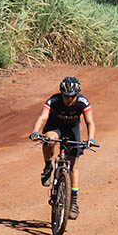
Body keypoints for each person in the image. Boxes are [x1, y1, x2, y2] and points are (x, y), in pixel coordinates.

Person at [29, 76, 96, 219]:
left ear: (77, 94)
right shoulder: (53, 100)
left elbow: (90, 122)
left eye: (72, 96)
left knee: (73, 166)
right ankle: (48, 166)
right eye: (66, 96)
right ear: (61, 93)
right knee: (49, 140)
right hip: (55, 127)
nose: (68, 99)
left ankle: (73, 202)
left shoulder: (83, 102)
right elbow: (42, 117)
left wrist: (90, 138)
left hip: (72, 130)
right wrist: (35, 131)